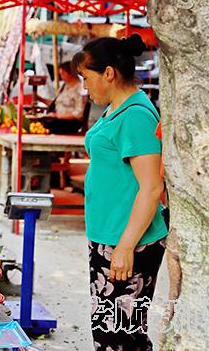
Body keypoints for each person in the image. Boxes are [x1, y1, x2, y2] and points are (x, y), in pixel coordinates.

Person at [71, 34, 168, 351]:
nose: (85, 87)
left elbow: (152, 186)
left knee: (122, 334)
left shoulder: (137, 116)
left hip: (129, 240)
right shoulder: (117, 110)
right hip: (109, 235)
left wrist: (126, 246)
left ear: (109, 73)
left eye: (87, 78)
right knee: (109, 330)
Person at [40, 61, 88, 133]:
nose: (61, 76)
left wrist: (57, 116)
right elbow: (55, 103)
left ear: (71, 73)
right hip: (58, 119)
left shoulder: (80, 89)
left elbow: (78, 113)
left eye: (63, 73)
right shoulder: (63, 86)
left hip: (70, 122)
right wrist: (40, 99)